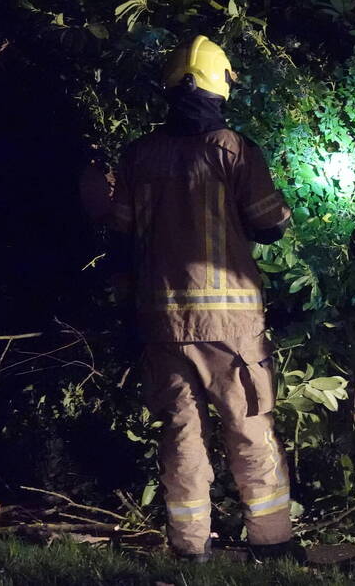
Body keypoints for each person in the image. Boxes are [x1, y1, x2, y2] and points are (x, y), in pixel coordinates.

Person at [108, 35, 296, 563]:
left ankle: (191, 548)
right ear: (220, 88)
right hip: (230, 326)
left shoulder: (138, 156)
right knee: (249, 430)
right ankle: (272, 542)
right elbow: (271, 224)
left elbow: (121, 234)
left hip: (162, 321)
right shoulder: (233, 149)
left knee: (181, 435)